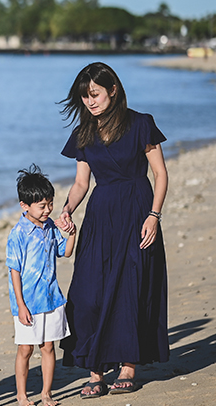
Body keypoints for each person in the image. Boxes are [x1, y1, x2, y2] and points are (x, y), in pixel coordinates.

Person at [55, 62, 169, 398]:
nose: (90, 101)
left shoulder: (140, 124)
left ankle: (128, 365)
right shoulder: (83, 133)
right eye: (85, 96)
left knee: (130, 288)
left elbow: (160, 174)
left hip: (136, 209)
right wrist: (66, 209)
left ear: (113, 90)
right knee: (87, 293)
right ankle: (95, 368)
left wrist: (153, 215)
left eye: (95, 94)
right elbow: (80, 182)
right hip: (100, 213)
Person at [8, 165, 76, 406]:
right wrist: (20, 305)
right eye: (42, 206)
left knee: (48, 347)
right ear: (24, 206)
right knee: (25, 350)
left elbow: (65, 253)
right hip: (27, 302)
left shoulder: (49, 227)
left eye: (50, 204)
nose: (48, 210)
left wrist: (72, 233)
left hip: (51, 299)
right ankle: (22, 396)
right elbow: (14, 271)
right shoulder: (18, 234)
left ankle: (47, 394)